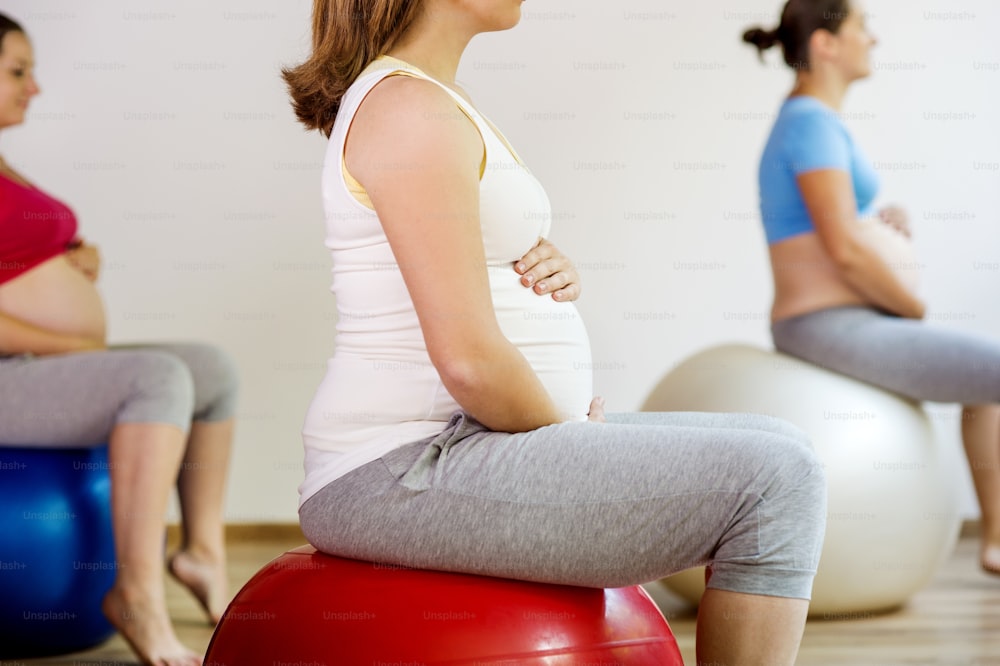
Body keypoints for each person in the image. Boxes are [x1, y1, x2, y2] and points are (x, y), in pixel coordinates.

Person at [283, 1, 827, 663]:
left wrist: (538, 267)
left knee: (782, 448)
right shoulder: (409, 111)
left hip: (463, 444)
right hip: (404, 467)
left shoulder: (432, 99)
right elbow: (469, 363)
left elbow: (457, 263)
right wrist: (568, 435)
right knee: (774, 478)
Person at [0, 14, 237, 666]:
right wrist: (66, 342)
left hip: (30, 366)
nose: (35, 88)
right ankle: (136, 594)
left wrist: (73, 254)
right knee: (156, 378)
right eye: (18, 71)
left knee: (210, 369)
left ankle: (200, 554)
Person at [744, 0, 1000, 575]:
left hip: (847, 317)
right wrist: (910, 302)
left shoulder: (814, 121)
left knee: (986, 382)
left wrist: (886, 223)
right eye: (864, 28)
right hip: (823, 323)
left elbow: (843, 227)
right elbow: (844, 250)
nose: (874, 41)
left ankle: (996, 540)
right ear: (825, 44)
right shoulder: (809, 121)